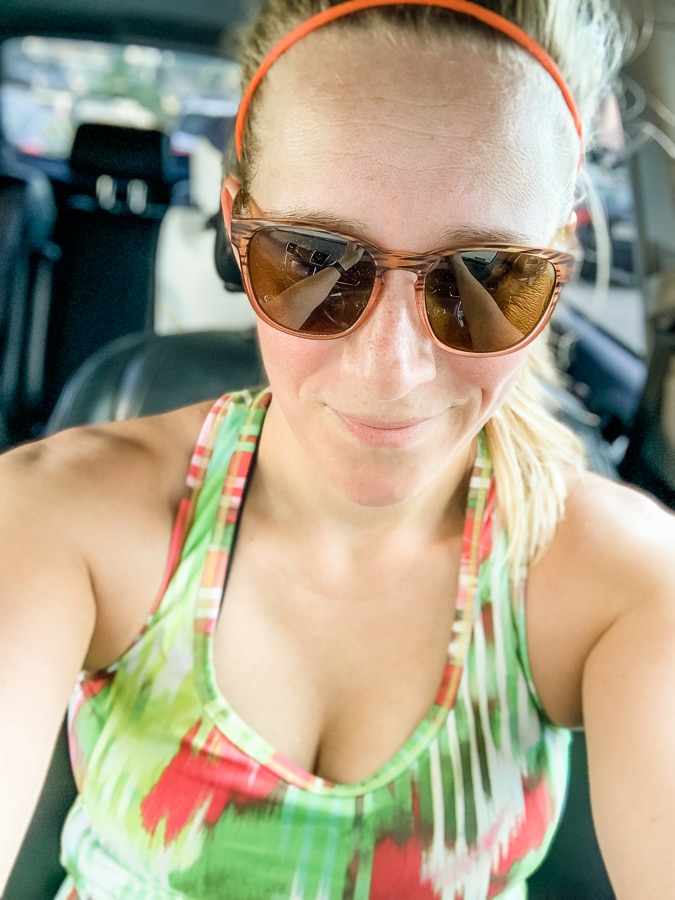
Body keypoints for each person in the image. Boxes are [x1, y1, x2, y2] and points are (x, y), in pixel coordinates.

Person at [1, 0, 674, 897]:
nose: (391, 371)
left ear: (557, 263)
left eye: (485, 276)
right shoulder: (63, 517)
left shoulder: (620, 580)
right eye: (312, 258)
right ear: (237, 230)